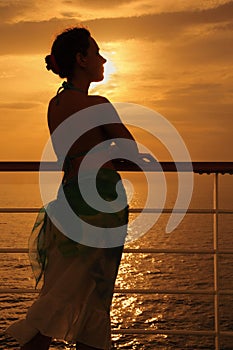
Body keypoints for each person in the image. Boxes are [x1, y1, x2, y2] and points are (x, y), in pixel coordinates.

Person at [6, 27, 140, 349]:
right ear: (81, 60)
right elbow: (131, 153)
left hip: (68, 199)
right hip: (101, 203)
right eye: (96, 52)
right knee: (93, 298)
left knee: (59, 292)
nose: (103, 58)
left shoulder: (55, 105)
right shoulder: (98, 105)